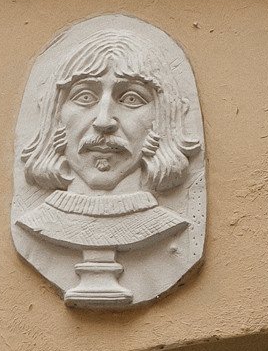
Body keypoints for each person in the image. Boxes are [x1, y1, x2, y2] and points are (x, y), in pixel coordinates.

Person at [15, 27, 197, 269]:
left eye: (131, 99)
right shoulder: (37, 223)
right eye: (85, 97)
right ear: (55, 116)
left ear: (162, 120)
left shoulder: (167, 226)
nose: (104, 121)